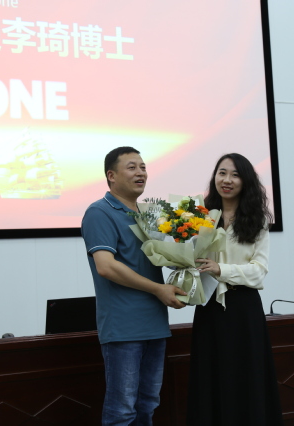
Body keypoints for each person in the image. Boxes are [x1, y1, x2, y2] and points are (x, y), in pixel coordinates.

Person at [82, 146, 187, 426]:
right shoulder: (99, 212)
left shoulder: (149, 215)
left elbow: (167, 258)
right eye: (131, 167)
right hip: (123, 328)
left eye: (143, 167)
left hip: (155, 323)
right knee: (122, 412)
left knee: (148, 405)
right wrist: (158, 289)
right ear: (111, 175)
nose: (140, 173)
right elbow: (106, 266)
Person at [187, 153, 284, 426]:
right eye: (222, 173)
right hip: (209, 307)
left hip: (243, 309)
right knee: (210, 376)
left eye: (235, 174)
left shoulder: (256, 220)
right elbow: (188, 258)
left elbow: (259, 271)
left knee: (246, 376)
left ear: (245, 181)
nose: (227, 180)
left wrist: (222, 270)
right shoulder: (200, 216)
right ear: (214, 177)